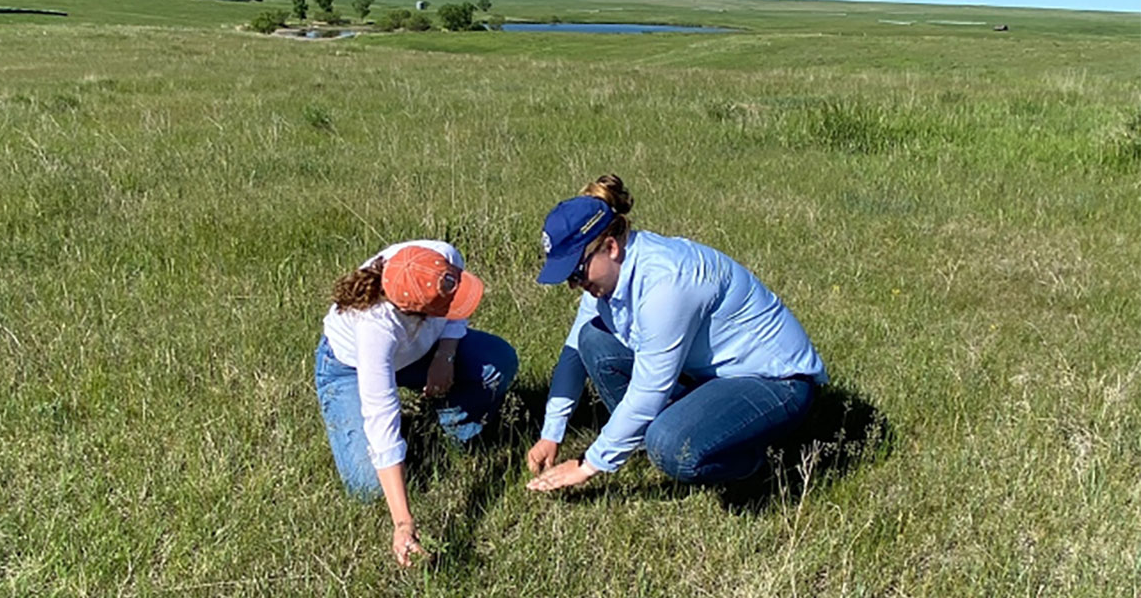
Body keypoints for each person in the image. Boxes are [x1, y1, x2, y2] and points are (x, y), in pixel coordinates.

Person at [525, 175, 827, 492]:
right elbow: (575, 351)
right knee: (593, 340)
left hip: (777, 383)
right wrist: (551, 433)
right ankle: (651, 440)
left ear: (611, 247)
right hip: (711, 375)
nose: (575, 284)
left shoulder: (666, 285)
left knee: (671, 447)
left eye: (576, 272)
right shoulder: (607, 276)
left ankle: (756, 467)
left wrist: (588, 465)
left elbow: (650, 388)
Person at [315, 240, 518, 565]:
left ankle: (452, 436)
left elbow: (456, 310)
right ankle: (400, 449)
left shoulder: (441, 257)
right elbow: (380, 417)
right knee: (368, 487)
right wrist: (403, 523)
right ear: (417, 314)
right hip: (349, 369)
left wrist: (445, 354)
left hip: (424, 351)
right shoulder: (375, 328)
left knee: (497, 363)